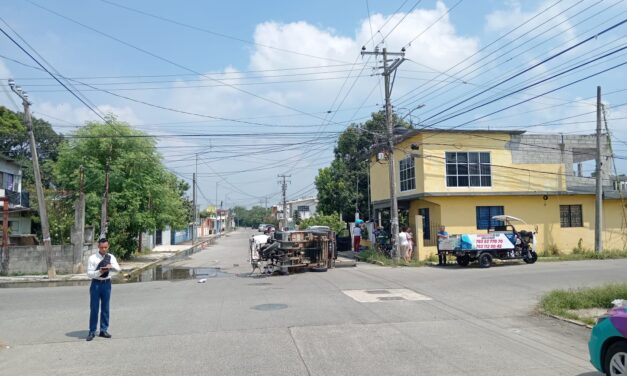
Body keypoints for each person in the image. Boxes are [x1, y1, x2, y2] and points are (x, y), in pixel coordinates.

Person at [86, 238, 121, 341]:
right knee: (94, 308)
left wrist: (111, 267)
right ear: (98, 247)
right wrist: (99, 272)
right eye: (102, 247)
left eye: (105, 247)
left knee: (105, 308)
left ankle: (103, 330)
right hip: (96, 284)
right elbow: (89, 273)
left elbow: (118, 270)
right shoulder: (92, 258)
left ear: (108, 246)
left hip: (107, 284)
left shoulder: (111, 257)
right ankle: (92, 331)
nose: (104, 249)